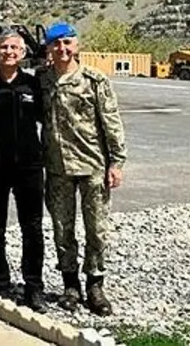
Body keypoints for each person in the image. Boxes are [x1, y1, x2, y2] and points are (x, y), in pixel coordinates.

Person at [37, 22, 127, 315]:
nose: (62, 49)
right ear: (49, 48)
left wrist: (117, 162)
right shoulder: (42, 79)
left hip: (92, 165)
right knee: (62, 230)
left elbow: (111, 121)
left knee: (96, 230)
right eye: (56, 44)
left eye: (67, 43)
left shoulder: (94, 80)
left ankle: (95, 285)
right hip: (57, 167)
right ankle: (70, 284)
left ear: (76, 46)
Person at [0, 28, 48, 312]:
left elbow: (47, 118)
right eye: (3, 47)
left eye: (14, 48)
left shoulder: (32, 84)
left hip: (29, 167)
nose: (8, 52)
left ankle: (34, 286)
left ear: (22, 53)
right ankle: (0, 282)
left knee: (32, 228)